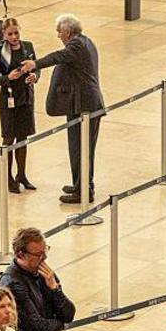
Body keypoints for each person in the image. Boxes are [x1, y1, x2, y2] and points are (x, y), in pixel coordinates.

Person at [33, 13, 105, 204]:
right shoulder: (85, 42)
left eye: (59, 32)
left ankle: (84, 191)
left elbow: (58, 57)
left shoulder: (77, 45)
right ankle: (80, 184)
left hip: (85, 106)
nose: (58, 36)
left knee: (81, 149)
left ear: (67, 31)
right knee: (77, 148)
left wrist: (35, 64)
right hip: (79, 104)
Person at [0, 18, 38, 193]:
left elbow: (36, 67)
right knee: (9, 138)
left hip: (25, 98)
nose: (14, 37)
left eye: (16, 33)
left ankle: (22, 174)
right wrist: (8, 78)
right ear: (3, 33)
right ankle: (8, 177)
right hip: (8, 100)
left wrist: (35, 77)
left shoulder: (28, 47)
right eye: (10, 34)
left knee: (23, 138)